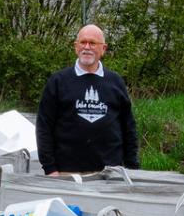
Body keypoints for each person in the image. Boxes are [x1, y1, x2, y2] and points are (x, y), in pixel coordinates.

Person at [35, 24, 140, 175]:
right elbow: (44, 127)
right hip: (67, 173)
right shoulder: (58, 81)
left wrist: (132, 168)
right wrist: (50, 168)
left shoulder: (115, 82)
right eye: (83, 42)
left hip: (110, 173)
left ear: (103, 49)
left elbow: (129, 128)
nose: (87, 47)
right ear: (75, 47)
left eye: (92, 43)